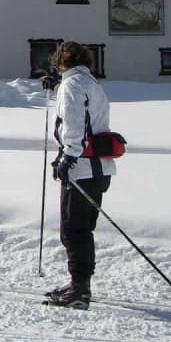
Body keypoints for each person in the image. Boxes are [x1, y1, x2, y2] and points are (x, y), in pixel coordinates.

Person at [44, 41, 115, 309]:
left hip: (82, 168)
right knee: (82, 228)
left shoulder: (72, 86)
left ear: (61, 61)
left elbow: (74, 124)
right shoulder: (91, 83)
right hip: (99, 167)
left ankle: (80, 289)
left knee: (73, 230)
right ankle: (80, 283)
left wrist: (69, 156)